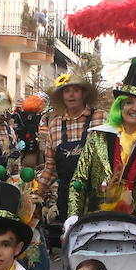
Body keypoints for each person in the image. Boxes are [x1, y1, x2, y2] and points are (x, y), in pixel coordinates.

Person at [66, 58, 136, 225]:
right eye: (128, 102)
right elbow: (79, 180)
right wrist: (73, 217)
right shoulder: (97, 137)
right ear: (120, 106)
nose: (134, 108)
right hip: (96, 226)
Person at [40, 70, 103, 219]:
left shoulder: (100, 117)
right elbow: (51, 167)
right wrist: (37, 191)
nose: (71, 95)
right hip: (66, 195)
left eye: (76, 90)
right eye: (67, 91)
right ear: (62, 96)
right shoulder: (55, 124)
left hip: (96, 195)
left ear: (84, 93)